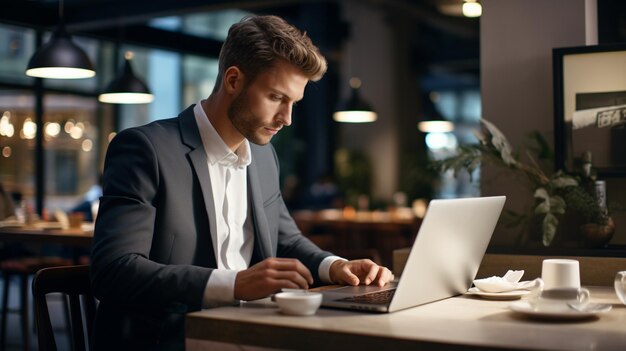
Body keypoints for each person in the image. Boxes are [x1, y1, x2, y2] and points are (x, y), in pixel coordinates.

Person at [90, 15, 394, 350]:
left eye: (294, 103)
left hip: (252, 332)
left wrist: (335, 266)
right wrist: (234, 284)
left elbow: (286, 240)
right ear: (233, 79)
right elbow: (114, 271)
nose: (287, 118)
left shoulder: (264, 157)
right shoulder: (146, 149)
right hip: (170, 339)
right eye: (277, 98)